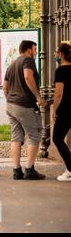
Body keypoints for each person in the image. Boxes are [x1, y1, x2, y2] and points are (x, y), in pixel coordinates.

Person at [3, 40, 46, 180]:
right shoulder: (28, 60)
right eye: (35, 49)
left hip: (11, 105)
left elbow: (5, 87)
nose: (35, 52)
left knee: (16, 137)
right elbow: (28, 77)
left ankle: (16, 170)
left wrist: (10, 99)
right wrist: (38, 97)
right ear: (28, 49)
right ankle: (29, 170)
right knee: (34, 135)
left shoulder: (12, 64)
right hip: (25, 105)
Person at [52, 42, 71, 181]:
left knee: (57, 138)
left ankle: (70, 169)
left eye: (57, 52)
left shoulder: (61, 71)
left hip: (65, 109)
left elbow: (59, 93)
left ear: (61, 53)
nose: (56, 55)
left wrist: (54, 109)